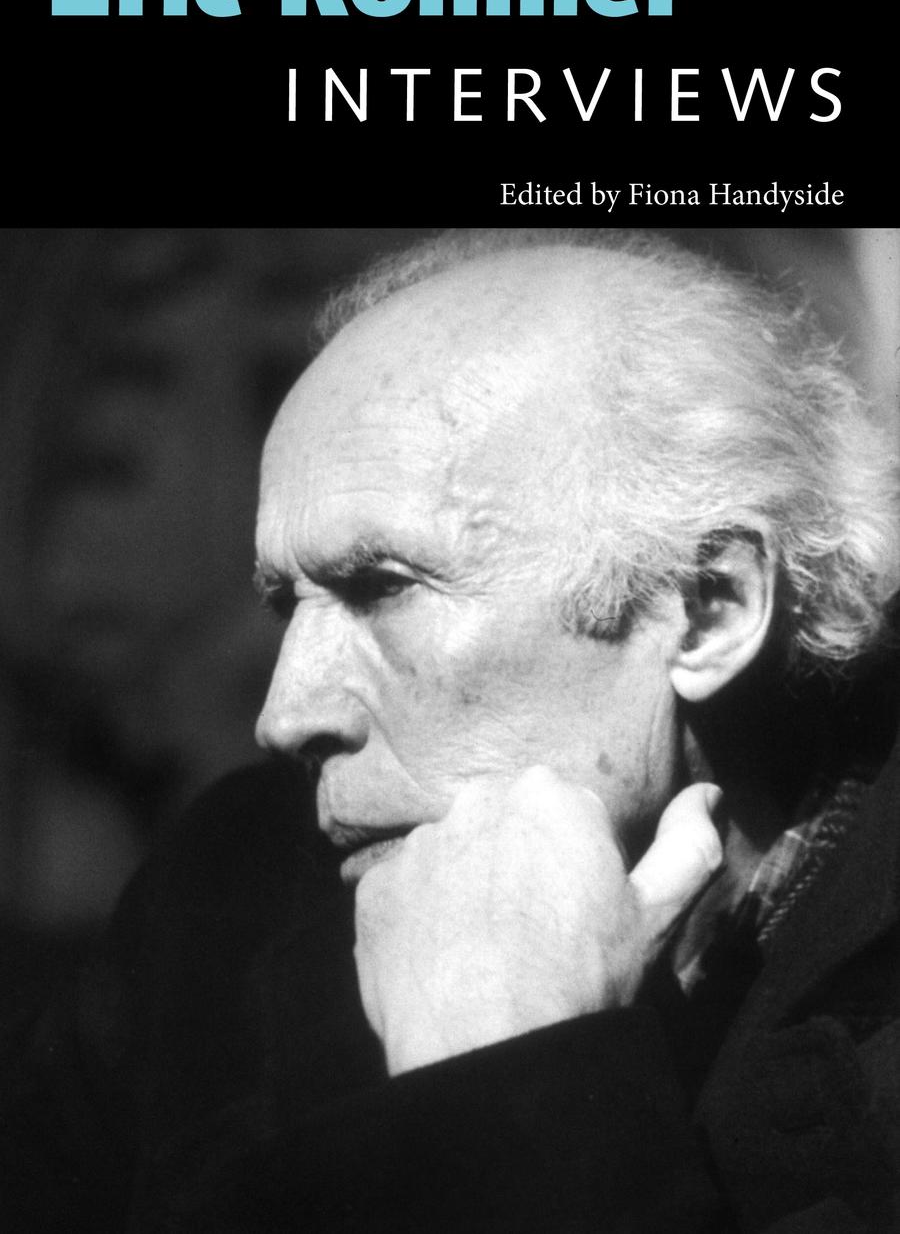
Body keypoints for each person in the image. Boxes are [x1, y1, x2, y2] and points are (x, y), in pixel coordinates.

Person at [3, 228, 900, 1232]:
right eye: (286, 603)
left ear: (709, 606)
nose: (284, 713)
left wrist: (504, 1085)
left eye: (380, 586)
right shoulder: (222, 902)